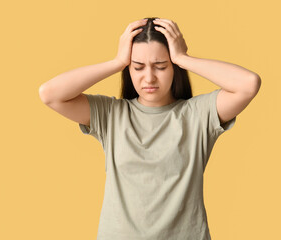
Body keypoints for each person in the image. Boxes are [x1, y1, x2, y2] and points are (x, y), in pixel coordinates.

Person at [39, 17, 261, 240]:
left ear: (174, 67)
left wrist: (184, 57)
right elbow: (50, 94)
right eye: (138, 67)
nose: (149, 78)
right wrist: (117, 62)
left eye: (161, 66)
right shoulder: (111, 115)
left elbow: (248, 84)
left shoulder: (197, 114)